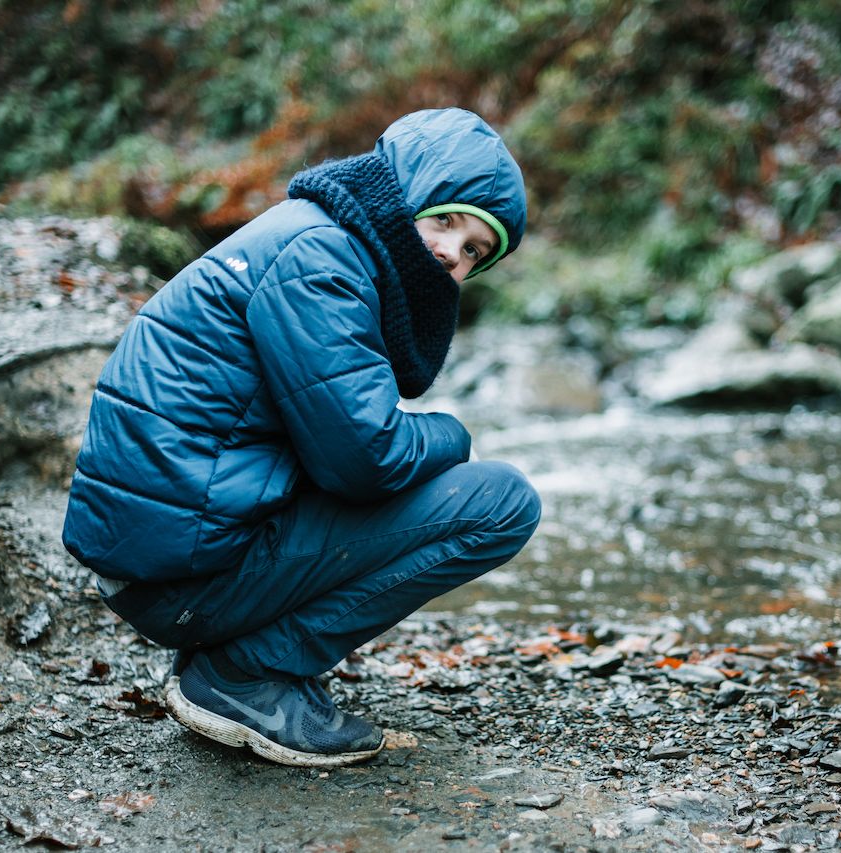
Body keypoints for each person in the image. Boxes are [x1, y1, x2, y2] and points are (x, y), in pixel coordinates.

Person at [61, 108, 541, 767]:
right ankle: (243, 673)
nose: (450, 254)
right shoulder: (321, 261)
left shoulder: (317, 236)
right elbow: (366, 460)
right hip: (177, 579)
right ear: (404, 191)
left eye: (473, 252)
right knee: (501, 502)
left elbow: (341, 438)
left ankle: (238, 657)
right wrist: (453, 438)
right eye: (447, 220)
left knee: (437, 479)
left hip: (166, 558)